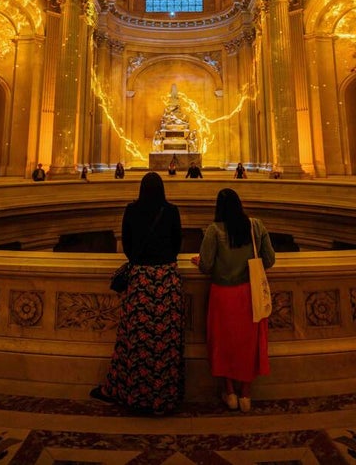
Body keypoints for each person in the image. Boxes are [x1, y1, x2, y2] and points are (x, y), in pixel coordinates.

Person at [90, 172, 185, 414]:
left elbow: (128, 246)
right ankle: (164, 397)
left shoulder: (131, 210)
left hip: (141, 282)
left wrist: (142, 260)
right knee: (165, 342)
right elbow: (177, 244)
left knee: (135, 342)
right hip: (166, 282)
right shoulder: (172, 211)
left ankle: (133, 394)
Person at [192, 188, 275, 413]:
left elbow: (206, 265)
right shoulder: (255, 226)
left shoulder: (214, 230)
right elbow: (269, 259)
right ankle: (246, 394)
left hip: (223, 295)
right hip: (249, 293)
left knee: (223, 343)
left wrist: (197, 261)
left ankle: (230, 393)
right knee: (248, 343)